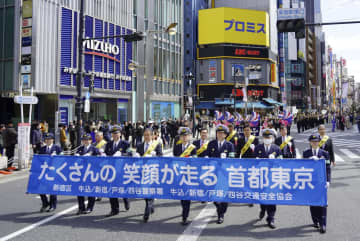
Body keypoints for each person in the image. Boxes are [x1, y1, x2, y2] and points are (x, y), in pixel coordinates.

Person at [207, 124, 235, 224]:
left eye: (222, 133)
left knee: (224, 196)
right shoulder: (211, 144)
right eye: (218, 133)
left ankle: (221, 214)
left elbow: (232, 159)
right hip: (213, 174)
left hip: (224, 174)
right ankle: (220, 210)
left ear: (226, 135)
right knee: (213, 195)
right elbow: (208, 157)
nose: (219, 135)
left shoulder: (230, 145)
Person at [303, 134, 330, 234]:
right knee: (312, 202)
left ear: (319, 142)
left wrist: (328, 181)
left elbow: (328, 168)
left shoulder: (325, 153)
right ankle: (315, 220)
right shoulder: (306, 153)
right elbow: (301, 167)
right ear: (310, 142)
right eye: (313, 141)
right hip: (310, 182)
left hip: (321, 182)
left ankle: (323, 223)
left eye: (316, 141)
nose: (315, 143)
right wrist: (308, 161)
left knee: (322, 203)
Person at [254, 129, 281, 229]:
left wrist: (275, 161)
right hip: (261, 177)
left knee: (271, 198)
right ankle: (262, 209)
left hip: (272, 177)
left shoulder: (277, 148)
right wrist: (258, 161)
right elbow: (253, 162)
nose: (267, 139)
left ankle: (271, 218)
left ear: (273, 138)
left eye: (269, 137)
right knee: (262, 197)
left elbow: (281, 162)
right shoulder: (258, 148)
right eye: (265, 137)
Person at [136, 128, 163, 222]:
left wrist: (154, 155)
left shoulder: (157, 144)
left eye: (148, 135)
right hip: (142, 171)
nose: (147, 137)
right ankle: (150, 206)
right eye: (145, 135)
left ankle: (147, 211)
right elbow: (137, 156)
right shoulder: (139, 145)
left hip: (153, 171)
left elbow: (161, 156)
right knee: (144, 191)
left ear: (152, 136)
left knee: (150, 191)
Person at [104, 126, 131, 217]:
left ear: (120, 134)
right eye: (113, 133)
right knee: (111, 189)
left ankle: (126, 199)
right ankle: (114, 209)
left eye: (117, 133)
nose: (115, 135)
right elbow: (105, 153)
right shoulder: (108, 144)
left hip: (122, 170)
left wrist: (122, 154)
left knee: (122, 187)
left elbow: (130, 153)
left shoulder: (125, 143)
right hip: (111, 170)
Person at [173, 127, 197, 225]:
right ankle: (184, 210)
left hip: (189, 175)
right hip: (179, 174)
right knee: (181, 195)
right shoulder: (177, 147)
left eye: (186, 136)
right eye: (182, 136)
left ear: (189, 136)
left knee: (187, 196)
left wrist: (191, 158)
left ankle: (185, 216)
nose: (184, 137)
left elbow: (195, 160)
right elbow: (174, 160)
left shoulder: (193, 147)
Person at [75, 134, 100, 215]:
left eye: (87, 139)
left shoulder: (94, 149)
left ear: (90, 140)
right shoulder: (80, 148)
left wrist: (91, 157)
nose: (85, 141)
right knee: (80, 190)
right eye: (84, 140)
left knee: (90, 190)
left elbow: (99, 160)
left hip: (91, 173)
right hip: (81, 172)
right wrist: (76, 156)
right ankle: (81, 208)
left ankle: (90, 207)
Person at [38, 133, 63, 212]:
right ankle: (45, 203)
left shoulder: (57, 148)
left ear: (52, 139)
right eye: (46, 139)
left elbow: (62, 158)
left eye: (49, 139)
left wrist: (56, 157)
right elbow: (39, 159)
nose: (47, 140)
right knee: (41, 189)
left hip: (53, 171)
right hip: (44, 171)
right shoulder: (42, 149)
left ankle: (53, 205)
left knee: (52, 188)